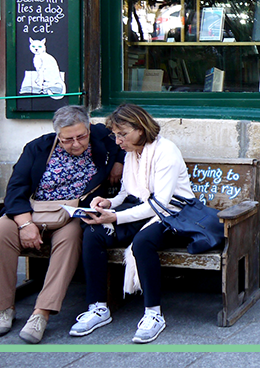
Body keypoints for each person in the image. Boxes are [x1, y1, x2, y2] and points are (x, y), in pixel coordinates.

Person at [0, 105, 124, 344]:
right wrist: (24, 224)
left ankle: (42, 313)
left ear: (89, 129)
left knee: (71, 240)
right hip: (33, 211)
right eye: (67, 139)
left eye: (81, 136)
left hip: (70, 216)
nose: (76, 144)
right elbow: (15, 190)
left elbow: (128, 140)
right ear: (57, 135)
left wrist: (118, 162)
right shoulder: (37, 148)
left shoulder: (101, 137)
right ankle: (4, 308)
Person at [71, 103, 195, 344]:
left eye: (122, 134)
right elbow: (127, 193)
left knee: (143, 242)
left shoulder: (165, 151)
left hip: (173, 214)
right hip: (142, 210)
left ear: (140, 129)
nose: (118, 141)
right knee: (93, 231)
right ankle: (98, 307)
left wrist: (116, 217)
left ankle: (153, 314)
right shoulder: (131, 154)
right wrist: (107, 203)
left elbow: (159, 204)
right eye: (115, 135)